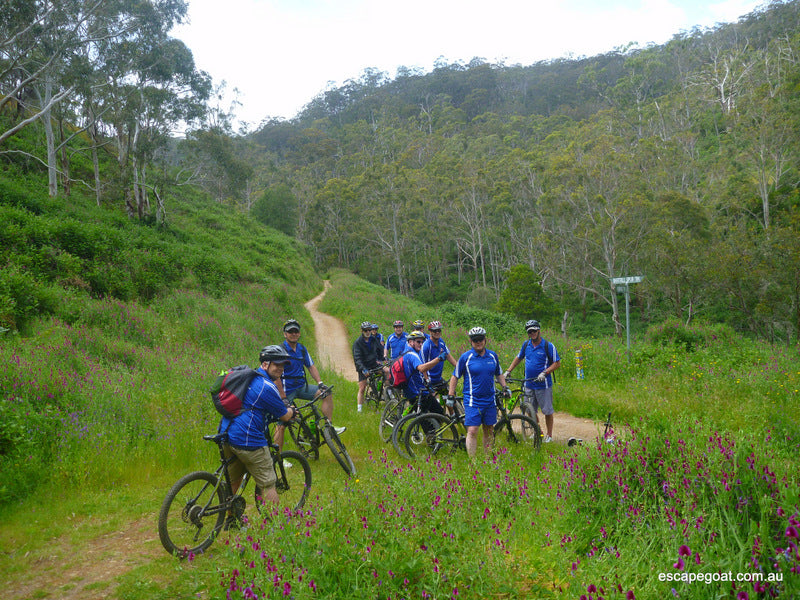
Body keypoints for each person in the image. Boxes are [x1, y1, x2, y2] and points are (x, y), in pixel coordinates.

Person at [218, 345, 297, 512]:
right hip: (247, 439)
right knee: (268, 483)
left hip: (227, 433)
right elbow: (284, 416)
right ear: (265, 364)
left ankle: (230, 519)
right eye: (277, 364)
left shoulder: (248, 378)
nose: (281, 369)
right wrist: (292, 411)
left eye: (283, 365)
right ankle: (277, 522)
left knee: (233, 480)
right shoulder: (266, 386)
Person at [273, 319, 344, 451]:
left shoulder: (302, 349)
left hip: (301, 387)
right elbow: (276, 376)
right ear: (285, 334)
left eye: (296, 331)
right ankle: (279, 457)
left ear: (299, 333)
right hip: (286, 391)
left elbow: (311, 366)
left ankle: (329, 427)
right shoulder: (280, 350)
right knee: (281, 424)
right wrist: (283, 398)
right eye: (290, 332)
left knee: (326, 393)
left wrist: (320, 383)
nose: (293, 334)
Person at [448, 327, 510, 457]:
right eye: (475, 340)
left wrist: (505, 387)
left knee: (489, 429)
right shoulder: (466, 357)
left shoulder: (492, 356)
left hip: (490, 399)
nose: (478, 342)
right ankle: (473, 462)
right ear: (470, 341)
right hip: (473, 399)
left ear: (485, 340)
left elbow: (499, 373)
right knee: (472, 430)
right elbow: (455, 376)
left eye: (481, 339)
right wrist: (451, 394)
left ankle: (488, 460)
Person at [503, 319, 561, 443]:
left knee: (547, 411)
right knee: (529, 410)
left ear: (539, 330)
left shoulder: (548, 346)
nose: (532, 333)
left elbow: (557, 363)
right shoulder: (526, 345)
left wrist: (545, 372)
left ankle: (549, 435)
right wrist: (508, 371)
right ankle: (538, 431)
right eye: (530, 332)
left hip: (543, 385)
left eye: (534, 331)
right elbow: (518, 358)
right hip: (528, 384)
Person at [400, 330, 446, 415]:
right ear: (411, 342)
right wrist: (438, 359)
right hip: (417, 392)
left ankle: (403, 417)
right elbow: (422, 368)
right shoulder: (413, 355)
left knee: (424, 413)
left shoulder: (406, 351)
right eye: (418, 342)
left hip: (411, 390)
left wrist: (427, 381)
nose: (421, 344)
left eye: (422, 342)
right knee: (439, 413)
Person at [352, 321, 387, 412]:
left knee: (387, 371)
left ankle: (389, 393)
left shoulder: (373, 339)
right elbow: (357, 358)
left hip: (373, 364)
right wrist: (363, 369)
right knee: (362, 388)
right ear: (362, 331)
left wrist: (383, 359)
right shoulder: (358, 343)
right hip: (363, 367)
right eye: (365, 330)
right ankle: (359, 410)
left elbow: (380, 350)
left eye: (369, 330)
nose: (368, 332)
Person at [421, 320, 457, 395]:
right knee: (433, 400)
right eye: (434, 331)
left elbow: (448, 355)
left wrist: (459, 367)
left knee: (451, 396)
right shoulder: (426, 346)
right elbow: (422, 366)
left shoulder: (441, 342)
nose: (437, 332)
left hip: (438, 378)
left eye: (439, 330)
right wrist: (427, 381)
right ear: (430, 332)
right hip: (429, 379)